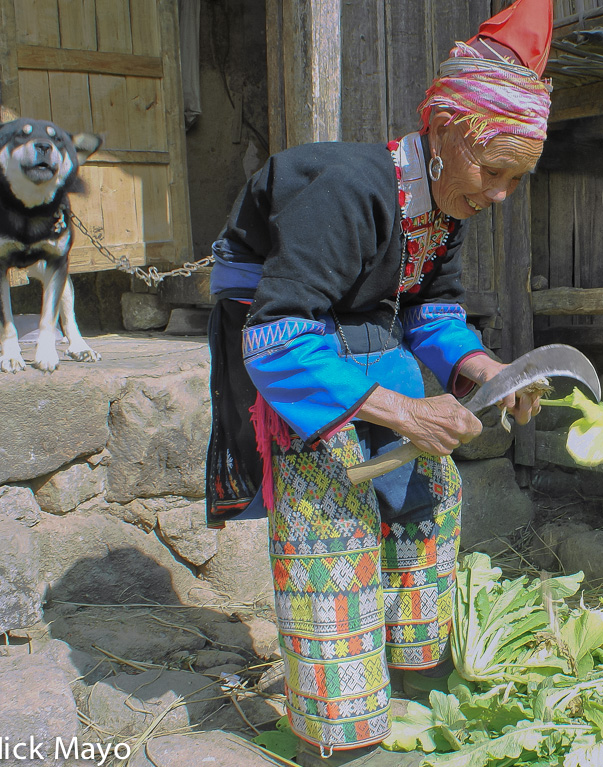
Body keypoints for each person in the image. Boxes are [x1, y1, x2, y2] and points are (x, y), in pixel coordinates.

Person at [203, 1, 554, 763]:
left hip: (360, 333)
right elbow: (275, 337)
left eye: (514, 181)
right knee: (331, 512)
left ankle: (412, 675)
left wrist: (484, 370)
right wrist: (402, 409)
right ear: (452, 134)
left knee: (432, 490)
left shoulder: (445, 206)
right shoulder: (349, 189)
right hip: (286, 336)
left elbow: (431, 310)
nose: (499, 195)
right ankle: (344, 731)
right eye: (495, 172)